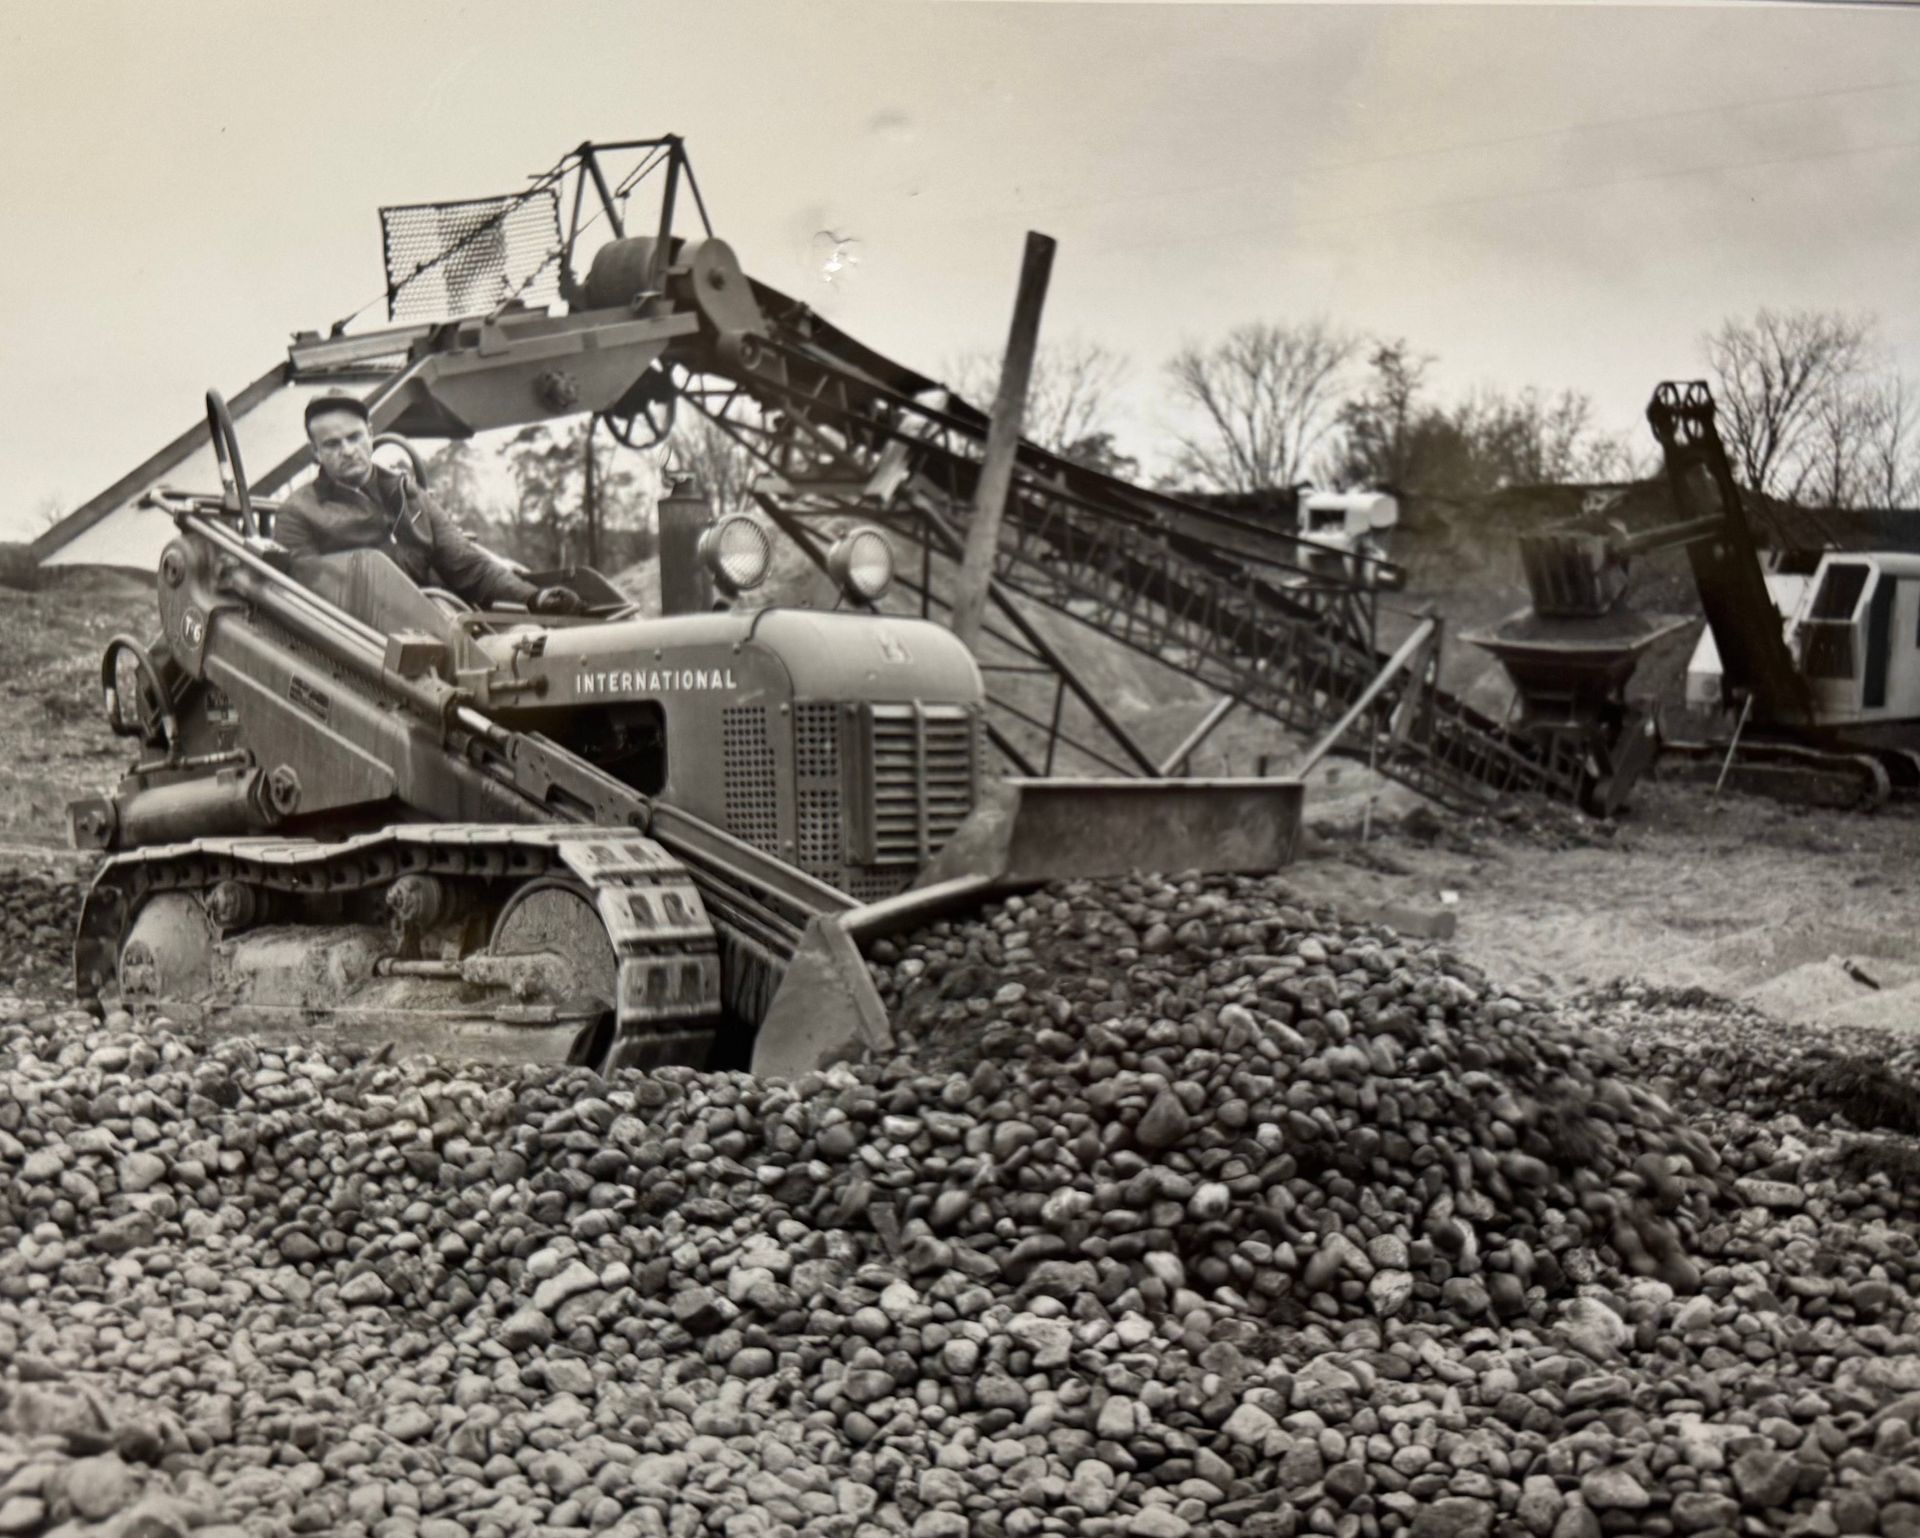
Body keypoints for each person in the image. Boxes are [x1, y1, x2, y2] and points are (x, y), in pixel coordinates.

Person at [275, 395, 583, 614]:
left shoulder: (409, 494)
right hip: (368, 639)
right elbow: (310, 603)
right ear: (315, 452)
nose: (348, 450)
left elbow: (467, 565)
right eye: (332, 444)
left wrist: (534, 598)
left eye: (355, 437)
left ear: (370, 435)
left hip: (441, 619)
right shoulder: (298, 513)